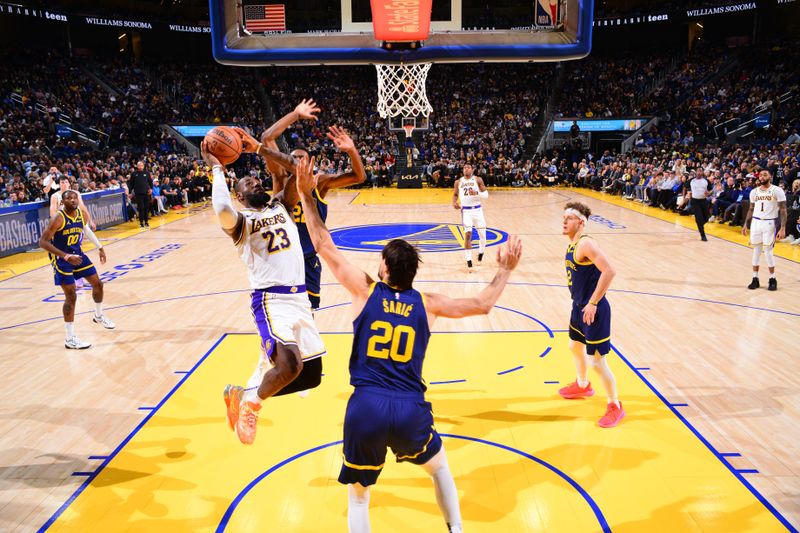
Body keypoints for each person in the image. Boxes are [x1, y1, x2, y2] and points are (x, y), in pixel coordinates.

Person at [295, 155, 522, 533]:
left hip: (365, 406)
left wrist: (306, 195)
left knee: (358, 495)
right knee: (440, 468)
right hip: (408, 409)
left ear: (384, 267)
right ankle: (456, 530)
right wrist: (505, 269)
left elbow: (321, 242)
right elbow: (483, 304)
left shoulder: (364, 292)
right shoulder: (428, 303)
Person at [202, 132, 327, 446]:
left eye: (256, 180)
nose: (255, 182)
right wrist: (217, 168)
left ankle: (242, 394)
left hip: (299, 299)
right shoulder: (240, 223)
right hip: (271, 301)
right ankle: (251, 404)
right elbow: (220, 208)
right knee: (291, 365)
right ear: (240, 197)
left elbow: (300, 170)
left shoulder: (282, 206)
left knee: (311, 376)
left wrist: (259, 148)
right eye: (246, 184)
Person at [260, 99, 366, 312]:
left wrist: (352, 150)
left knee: (308, 316)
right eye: (294, 158)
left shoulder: (319, 182)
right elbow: (266, 138)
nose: (298, 162)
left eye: (302, 158)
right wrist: (295, 114)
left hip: (308, 259)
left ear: (310, 164)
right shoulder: (279, 179)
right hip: (282, 260)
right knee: (282, 316)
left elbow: (358, 176)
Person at [558, 202, 624, 428]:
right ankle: (583, 385)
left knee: (597, 362)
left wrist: (594, 302)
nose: (564, 221)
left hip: (593, 311)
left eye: (569, 218)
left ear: (582, 222)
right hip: (579, 307)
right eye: (564, 217)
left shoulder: (585, 243)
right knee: (574, 346)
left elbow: (610, 271)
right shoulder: (572, 244)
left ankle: (615, 405)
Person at [38, 190, 115, 349]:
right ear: (62, 202)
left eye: (74, 198)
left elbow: (86, 230)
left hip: (78, 254)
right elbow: (43, 242)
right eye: (68, 198)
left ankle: (99, 316)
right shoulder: (58, 218)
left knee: (98, 284)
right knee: (71, 295)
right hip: (61, 259)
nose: (72, 200)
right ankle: (70, 338)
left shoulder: (81, 213)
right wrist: (66, 256)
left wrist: (100, 247)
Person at [743, 169, 788, 291]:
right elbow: (751, 209)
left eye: (765, 175)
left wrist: (783, 228)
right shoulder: (754, 192)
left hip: (770, 223)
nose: (762, 177)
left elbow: (783, 210)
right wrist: (745, 224)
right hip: (756, 223)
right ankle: (755, 278)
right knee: (756, 251)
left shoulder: (777, 190)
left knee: (768, 252)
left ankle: (772, 279)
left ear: (771, 176)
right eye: (760, 175)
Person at [452, 163, 488, 271]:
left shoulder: (478, 180)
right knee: (468, 234)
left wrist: (476, 193)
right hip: (466, 211)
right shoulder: (458, 182)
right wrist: (454, 203)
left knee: (483, 235)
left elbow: (486, 195)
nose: (466, 169)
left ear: (472, 169)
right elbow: (455, 195)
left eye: (468, 167)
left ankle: (481, 253)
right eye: (464, 168)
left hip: (478, 210)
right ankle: (469, 262)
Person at [687, 169, 711, 241]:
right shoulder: (691, 180)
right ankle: (703, 235)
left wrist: (709, 193)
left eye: (701, 171)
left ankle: (699, 225)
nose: (699, 173)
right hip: (695, 201)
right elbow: (685, 186)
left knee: (706, 218)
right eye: (698, 171)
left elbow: (711, 189)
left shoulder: (706, 181)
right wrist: (688, 193)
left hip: (703, 201)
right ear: (696, 172)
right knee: (699, 218)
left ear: (702, 173)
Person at [130, 161, 153, 228]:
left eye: (141, 165)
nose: (140, 166)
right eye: (139, 165)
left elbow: (150, 182)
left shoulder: (147, 173)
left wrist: (151, 189)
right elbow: (131, 184)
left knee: (146, 208)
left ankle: (146, 222)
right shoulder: (134, 174)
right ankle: (141, 222)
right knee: (141, 208)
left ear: (143, 166)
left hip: (146, 193)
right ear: (137, 166)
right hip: (138, 194)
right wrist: (130, 192)